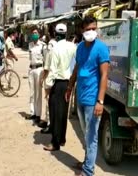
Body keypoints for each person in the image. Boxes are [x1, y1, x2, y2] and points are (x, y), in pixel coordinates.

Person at [66, 16, 109, 176]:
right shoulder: (80, 47)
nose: (91, 32)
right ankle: (87, 162)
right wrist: (70, 86)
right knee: (85, 133)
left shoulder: (101, 48)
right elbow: (77, 67)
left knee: (92, 136)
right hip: (81, 96)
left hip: (93, 100)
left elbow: (104, 75)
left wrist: (100, 101)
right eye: (88, 29)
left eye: (93, 28)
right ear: (82, 30)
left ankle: (88, 171)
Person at [43, 23, 76, 151]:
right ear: (66, 34)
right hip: (69, 83)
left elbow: (52, 69)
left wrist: (48, 86)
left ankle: (55, 142)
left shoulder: (55, 48)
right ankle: (62, 138)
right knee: (64, 112)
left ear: (56, 34)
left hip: (58, 83)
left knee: (55, 113)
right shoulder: (73, 46)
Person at [25, 26, 45, 124]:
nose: (34, 34)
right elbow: (30, 57)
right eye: (33, 33)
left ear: (39, 34)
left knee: (38, 94)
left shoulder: (43, 46)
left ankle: (38, 115)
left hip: (39, 69)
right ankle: (32, 112)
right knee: (32, 93)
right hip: (31, 69)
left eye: (36, 33)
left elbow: (46, 60)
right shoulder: (30, 45)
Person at [39, 25, 57, 132]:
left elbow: (47, 64)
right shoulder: (57, 45)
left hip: (50, 75)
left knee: (48, 100)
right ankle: (48, 121)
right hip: (56, 76)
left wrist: (43, 77)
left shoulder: (50, 46)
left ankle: (49, 124)